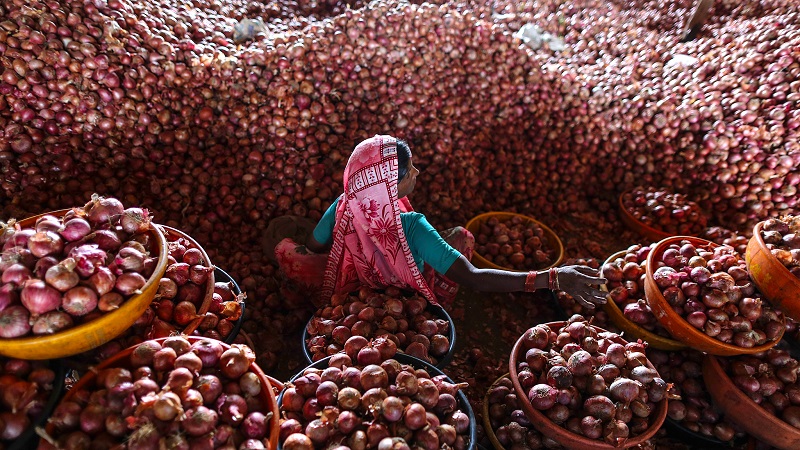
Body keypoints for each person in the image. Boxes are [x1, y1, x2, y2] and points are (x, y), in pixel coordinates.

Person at [275, 135, 607, 309]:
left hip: (348, 292)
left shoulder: (344, 205)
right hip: (404, 301)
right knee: (462, 238)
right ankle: (439, 305)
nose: (417, 173)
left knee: (287, 249)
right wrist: (553, 278)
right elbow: (475, 279)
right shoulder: (413, 227)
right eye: (409, 172)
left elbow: (317, 246)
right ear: (389, 186)